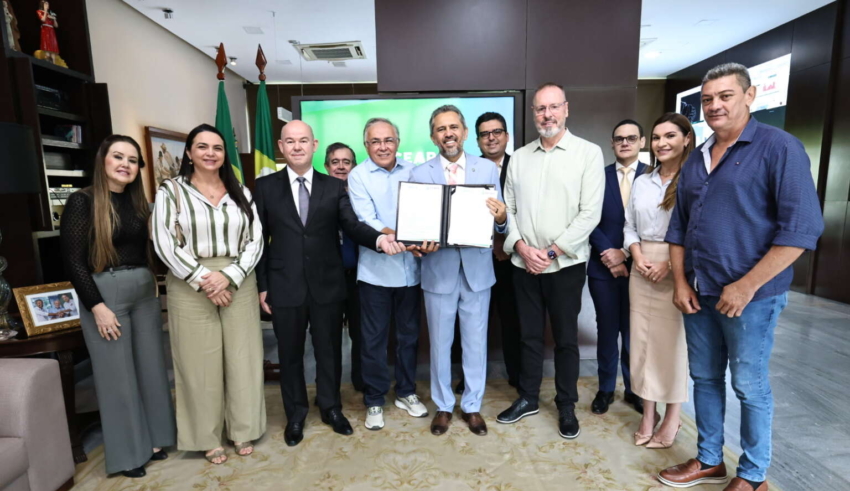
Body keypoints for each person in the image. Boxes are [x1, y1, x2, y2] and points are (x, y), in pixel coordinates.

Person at [658, 63, 823, 491]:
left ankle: (752, 475)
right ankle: (710, 459)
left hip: (752, 298)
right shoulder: (697, 158)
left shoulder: (780, 148)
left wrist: (746, 285)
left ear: (750, 96)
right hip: (699, 293)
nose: (715, 105)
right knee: (705, 379)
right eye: (707, 99)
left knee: (749, 385)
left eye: (725, 96)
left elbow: (801, 230)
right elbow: (679, 228)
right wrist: (680, 282)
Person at [254, 120, 405, 447]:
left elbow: (352, 225)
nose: (297, 146)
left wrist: (380, 240)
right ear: (281, 147)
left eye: (303, 140)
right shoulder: (264, 187)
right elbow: (258, 241)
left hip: (327, 284)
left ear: (314, 145)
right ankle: (296, 414)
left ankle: (331, 408)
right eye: (290, 141)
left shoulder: (334, 187)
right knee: (290, 354)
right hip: (284, 285)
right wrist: (262, 285)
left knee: (329, 351)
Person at [61, 135, 175, 478]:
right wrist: (96, 306)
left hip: (143, 290)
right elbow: (73, 262)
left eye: (132, 159)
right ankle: (128, 455)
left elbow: (149, 251)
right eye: (118, 157)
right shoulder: (82, 201)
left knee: (152, 369)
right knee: (118, 376)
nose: (125, 164)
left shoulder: (139, 202)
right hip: (105, 293)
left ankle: (155, 440)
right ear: (103, 160)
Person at [152, 124, 265, 465]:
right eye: (202, 147)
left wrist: (228, 277)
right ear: (189, 153)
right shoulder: (172, 191)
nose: (210, 153)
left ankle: (243, 429)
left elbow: (255, 239)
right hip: (189, 281)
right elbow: (163, 241)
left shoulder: (241, 191)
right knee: (198, 363)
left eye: (217, 147)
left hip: (238, 278)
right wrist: (204, 280)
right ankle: (206, 437)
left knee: (243, 358)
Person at [497, 82, 605, 440]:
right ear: (533, 113)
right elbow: (508, 209)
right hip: (524, 263)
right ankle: (528, 397)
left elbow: (590, 214)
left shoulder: (588, 154)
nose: (547, 114)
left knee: (565, 339)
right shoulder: (519, 157)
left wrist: (552, 251)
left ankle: (566, 404)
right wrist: (521, 247)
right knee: (528, 336)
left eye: (553, 107)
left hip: (565, 266)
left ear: (566, 109)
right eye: (541, 108)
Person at [410, 105, 507, 437]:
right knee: (439, 344)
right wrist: (419, 242)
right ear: (433, 136)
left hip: (477, 270)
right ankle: (443, 405)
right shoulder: (419, 174)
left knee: (476, 343)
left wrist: (501, 218)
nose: (448, 133)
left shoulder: (487, 169)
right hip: (438, 270)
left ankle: (472, 406)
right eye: (441, 129)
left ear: (464, 133)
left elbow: (501, 220)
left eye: (453, 127)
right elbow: (416, 225)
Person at [347, 118, 429, 430]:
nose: (383, 147)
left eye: (388, 140)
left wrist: (420, 237)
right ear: (366, 146)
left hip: (411, 272)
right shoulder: (358, 176)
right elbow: (365, 218)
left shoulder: (414, 172)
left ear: (398, 142)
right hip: (375, 274)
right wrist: (405, 238)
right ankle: (374, 399)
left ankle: (406, 392)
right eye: (375, 141)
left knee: (409, 337)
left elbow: (424, 214)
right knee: (374, 341)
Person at [625, 113, 694, 448]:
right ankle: (648, 414)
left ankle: (673, 417)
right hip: (641, 268)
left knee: (671, 346)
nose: (661, 143)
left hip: (677, 267)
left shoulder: (695, 179)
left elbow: (698, 230)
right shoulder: (643, 181)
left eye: (670, 136)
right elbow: (629, 225)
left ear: (687, 139)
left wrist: (670, 264)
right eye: (656, 137)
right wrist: (636, 255)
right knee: (642, 344)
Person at [587, 119, 647, 416]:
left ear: (642, 142)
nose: (625, 143)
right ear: (612, 143)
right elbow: (586, 218)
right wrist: (608, 254)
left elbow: (658, 224)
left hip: (642, 268)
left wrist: (625, 254)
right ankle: (606, 389)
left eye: (631, 138)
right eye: (619, 138)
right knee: (607, 331)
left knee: (634, 332)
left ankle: (635, 390)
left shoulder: (654, 176)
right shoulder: (597, 176)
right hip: (603, 268)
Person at [324, 142, 364, 392]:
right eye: (335, 162)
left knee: (361, 334)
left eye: (346, 162)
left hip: (359, 277)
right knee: (328, 338)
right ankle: (329, 391)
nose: (340, 167)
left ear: (354, 166)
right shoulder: (317, 197)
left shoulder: (361, 196)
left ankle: (362, 383)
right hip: (327, 279)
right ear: (326, 166)